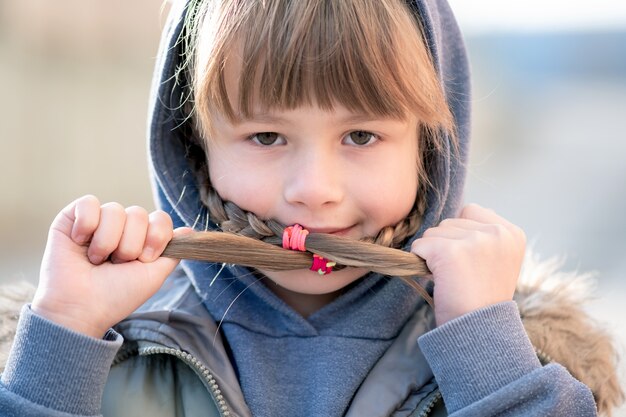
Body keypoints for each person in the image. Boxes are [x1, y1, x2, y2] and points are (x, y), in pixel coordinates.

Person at [0, 0, 622, 415]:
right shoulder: (99, 346)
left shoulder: (518, 359)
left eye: (361, 136)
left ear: (427, 153)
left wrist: (489, 358)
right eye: (266, 137)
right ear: (194, 149)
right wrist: (61, 341)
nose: (314, 189)